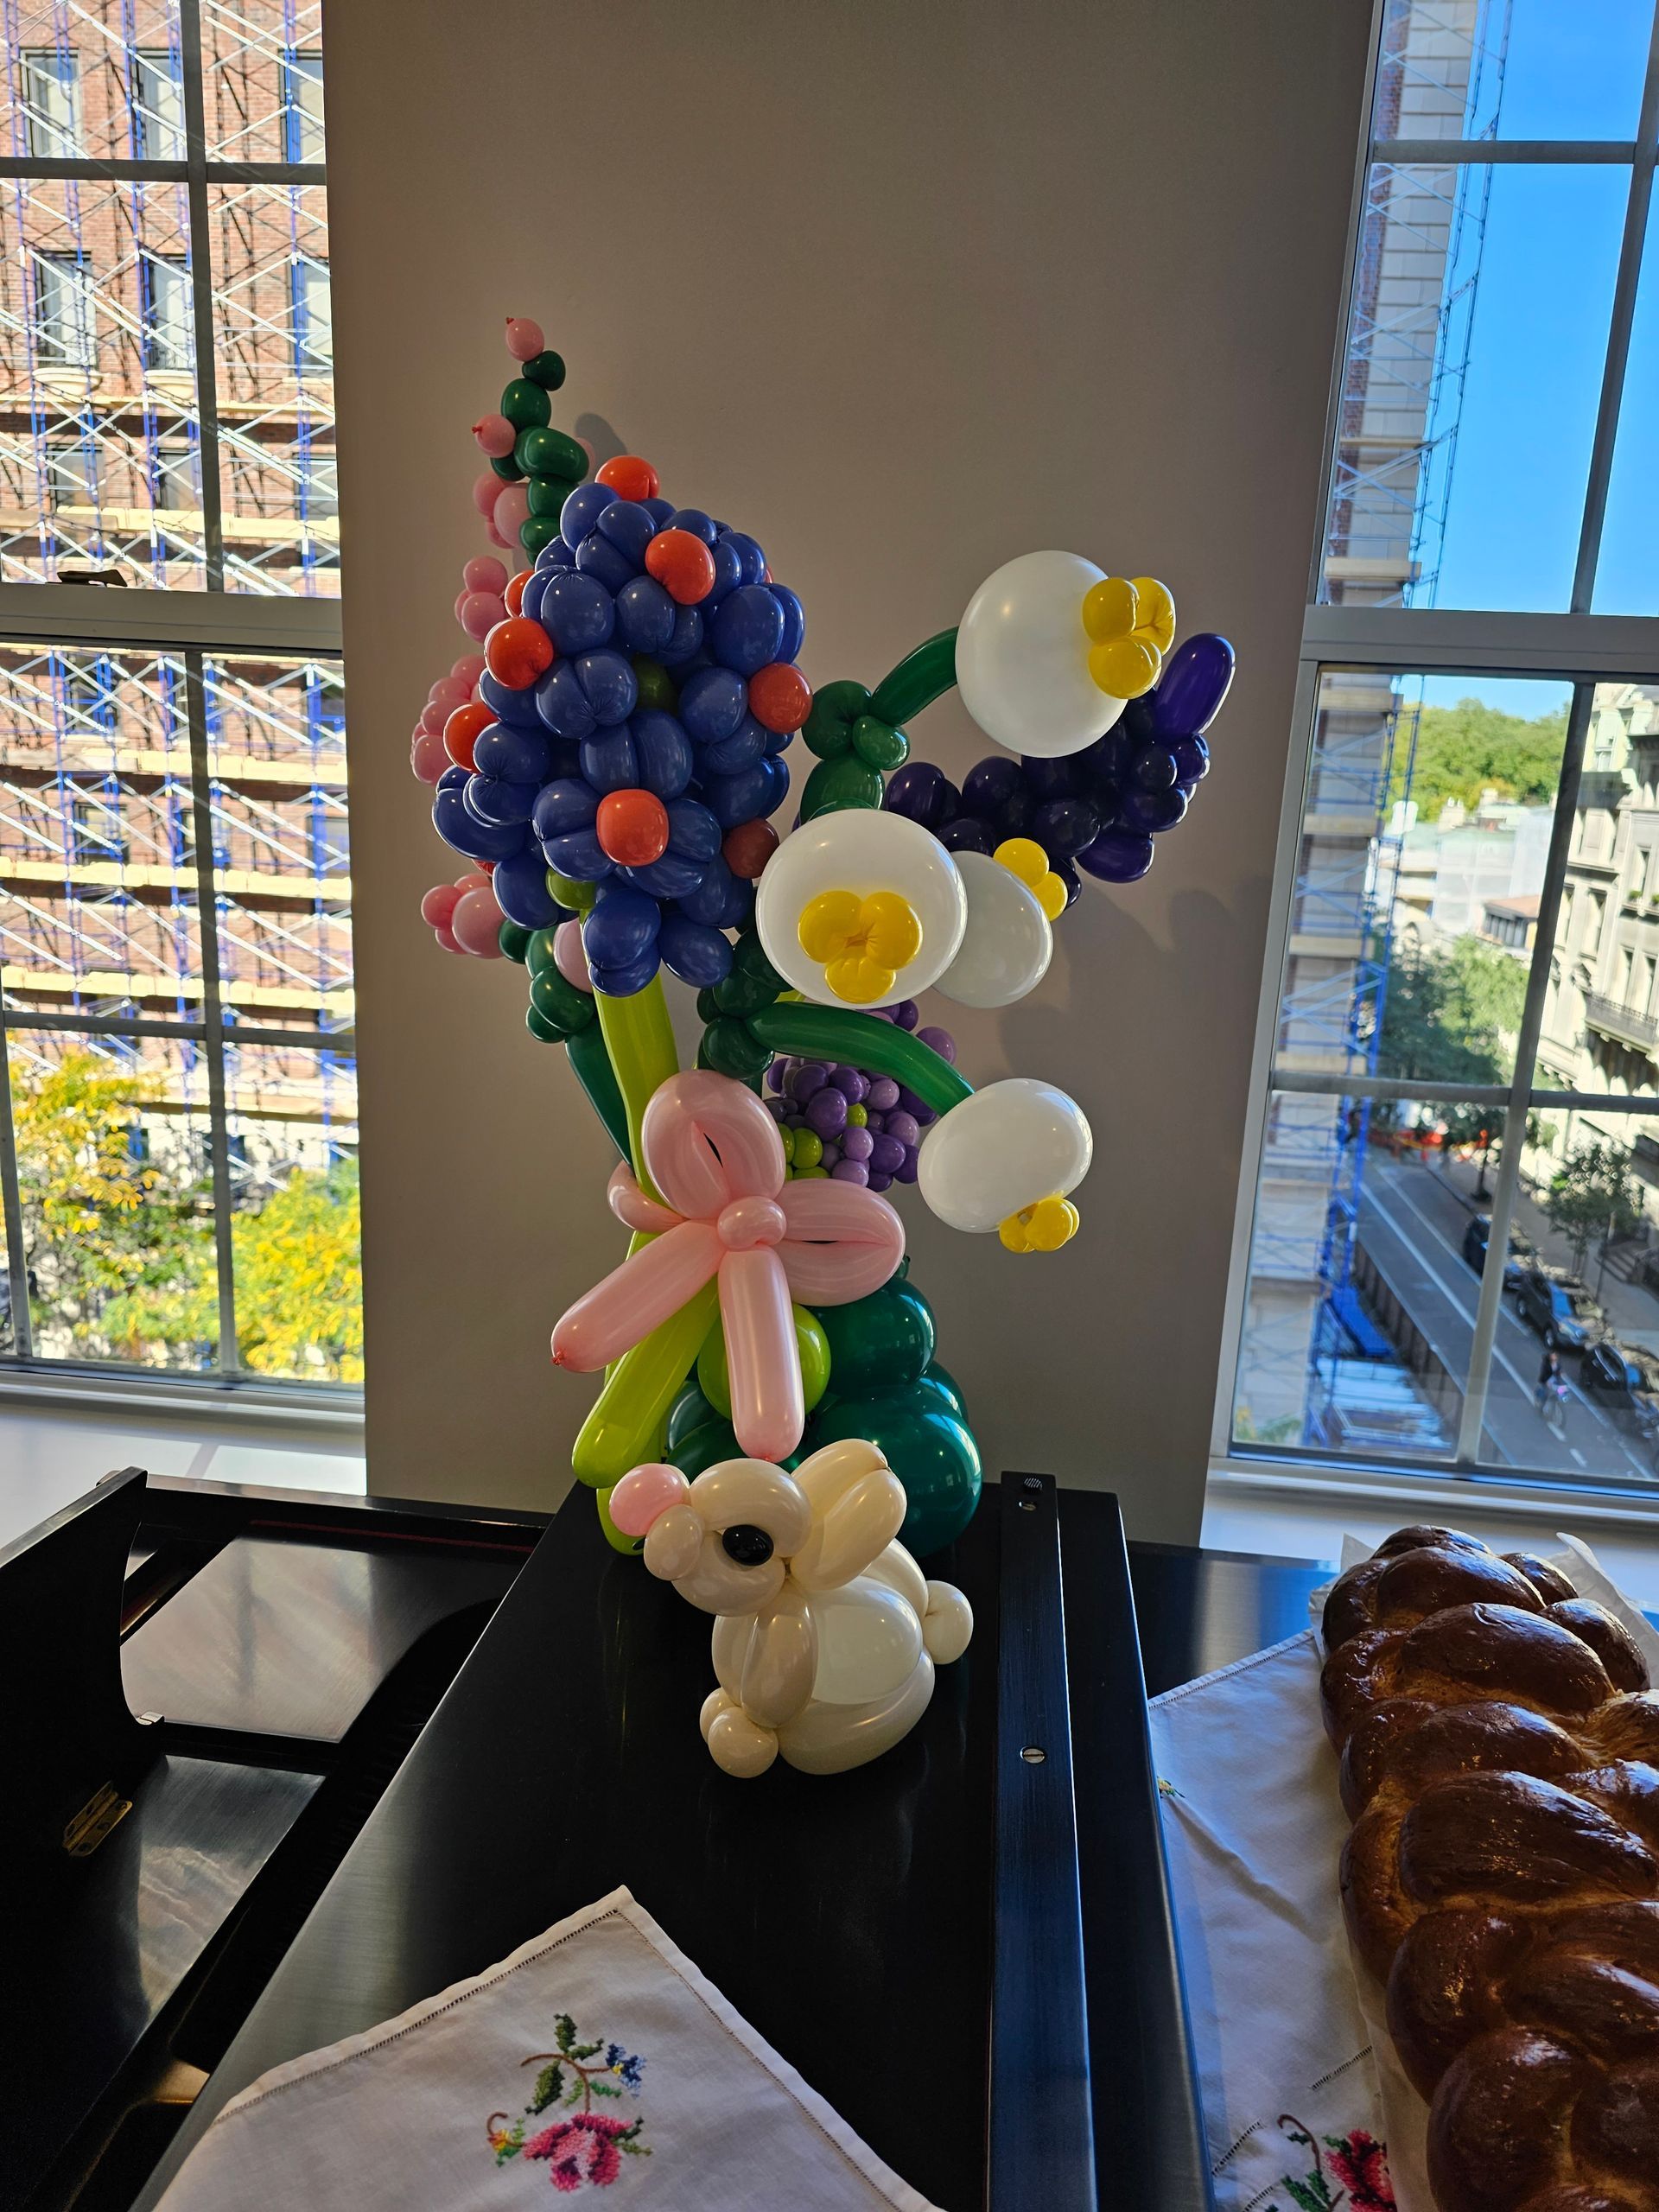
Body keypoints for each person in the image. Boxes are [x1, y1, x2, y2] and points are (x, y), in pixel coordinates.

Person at [1536, 1347, 1562, 1411]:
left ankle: (1558, 1403)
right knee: (1546, 1394)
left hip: (1553, 1380)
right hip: (1545, 1380)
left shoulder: (1557, 1364)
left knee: (1561, 1391)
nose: (1555, 1358)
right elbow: (1544, 1373)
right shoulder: (1546, 1364)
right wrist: (1547, 1382)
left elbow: (1558, 1372)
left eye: (1556, 1356)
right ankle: (1541, 1407)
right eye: (1553, 1356)